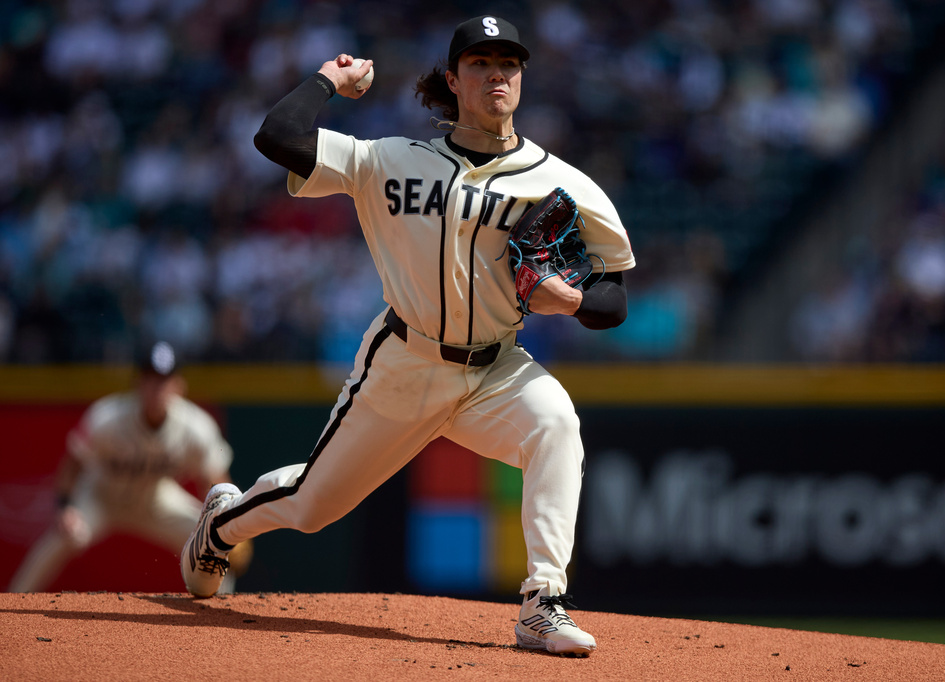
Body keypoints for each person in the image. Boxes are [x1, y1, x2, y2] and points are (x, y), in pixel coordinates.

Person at [180, 15, 634, 656]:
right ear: (454, 79)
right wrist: (327, 80)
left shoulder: (560, 181)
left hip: (497, 369)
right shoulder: (388, 159)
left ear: (522, 80)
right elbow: (277, 136)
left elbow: (615, 293)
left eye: (508, 64)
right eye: (479, 63)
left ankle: (543, 604)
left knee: (556, 424)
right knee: (313, 506)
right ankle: (221, 525)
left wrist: (577, 302)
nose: (496, 74)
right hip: (404, 362)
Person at [9, 341, 247, 593]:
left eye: (164, 380)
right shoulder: (108, 417)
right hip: (101, 496)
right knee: (68, 534)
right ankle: (12, 602)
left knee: (213, 544)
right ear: (138, 382)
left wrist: (225, 524)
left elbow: (214, 481)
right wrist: (65, 507)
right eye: (150, 379)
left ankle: (220, 610)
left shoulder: (195, 427)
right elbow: (73, 465)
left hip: (154, 498)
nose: (157, 388)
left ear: (179, 385)